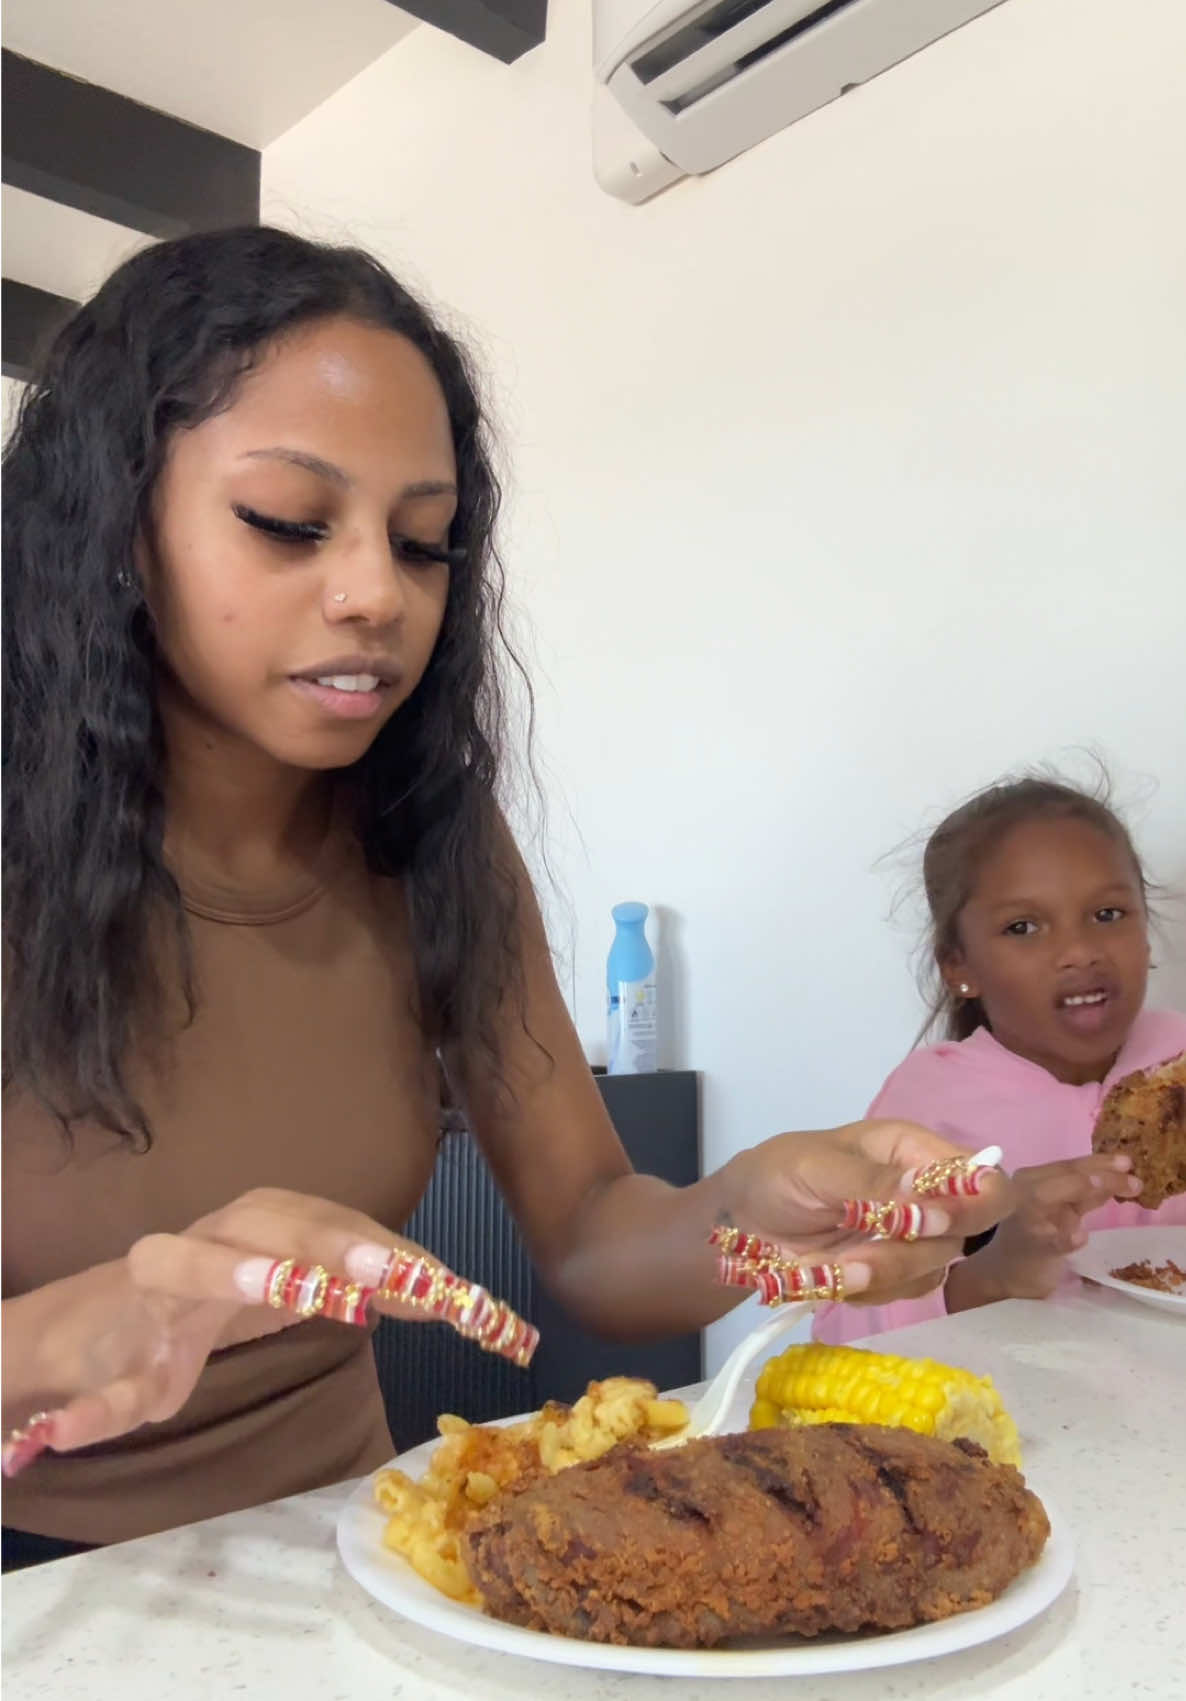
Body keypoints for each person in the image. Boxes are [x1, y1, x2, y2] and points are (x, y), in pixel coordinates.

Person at [1, 227, 1009, 1565]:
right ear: (116, 526)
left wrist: (750, 1211)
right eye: (288, 524)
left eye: (423, 545)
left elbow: (594, 1236)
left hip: (354, 1548)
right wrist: (90, 1320)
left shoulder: (435, 847)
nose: (374, 594)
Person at [814, 775, 1186, 1346]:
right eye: (1023, 928)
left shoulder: (1177, 1058)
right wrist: (998, 1272)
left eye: (1108, 914)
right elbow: (844, 1324)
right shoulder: (926, 1113)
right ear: (959, 967)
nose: (1081, 951)